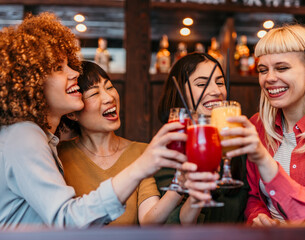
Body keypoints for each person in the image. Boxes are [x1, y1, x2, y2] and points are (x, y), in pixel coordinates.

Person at [0, 13, 186, 230]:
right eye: (59, 68)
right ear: (31, 83)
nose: (73, 73)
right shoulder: (24, 136)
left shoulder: (38, 138)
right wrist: (140, 167)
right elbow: (67, 220)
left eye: (69, 65)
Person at [185, 24, 305, 225]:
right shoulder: (257, 125)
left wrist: (262, 158)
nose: (269, 78)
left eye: (282, 68)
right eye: (262, 70)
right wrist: (259, 219)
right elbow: (254, 198)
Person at [58, 61, 198, 225]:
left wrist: (180, 183)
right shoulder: (59, 155)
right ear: (72, 113)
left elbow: (149, 221)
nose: (109, 98)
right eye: (95, 94)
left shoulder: (140, 152)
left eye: (109, 87)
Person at [157, 52, 249, 224]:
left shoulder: (239, 146)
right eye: (202, 84)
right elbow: (169, 223)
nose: (216, 91)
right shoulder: (167, 152)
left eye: (220, 83)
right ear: (180, 93)